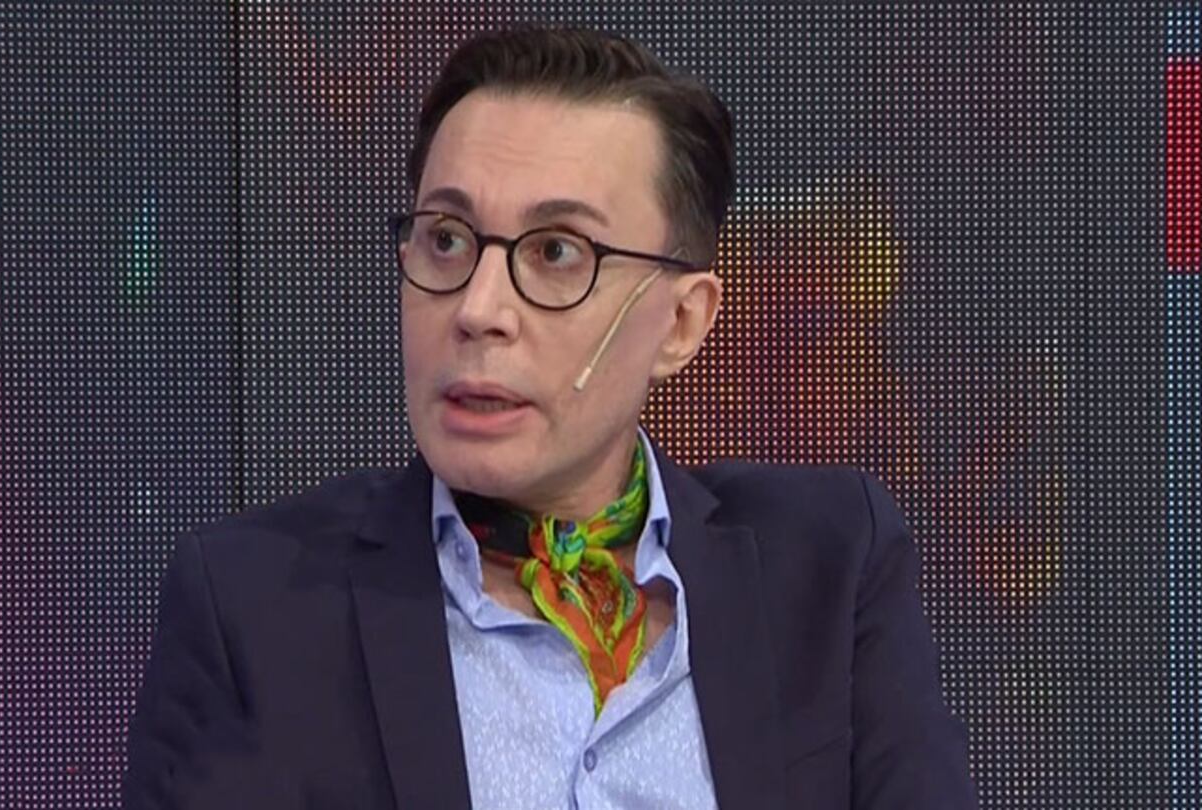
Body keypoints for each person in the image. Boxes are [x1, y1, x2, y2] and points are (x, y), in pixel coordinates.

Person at [123, 25, 978, 810]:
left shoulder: (828, 564)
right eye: (446, 240)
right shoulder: (255, 608)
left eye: (557, 252)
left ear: (681, 324)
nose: (478, 309)